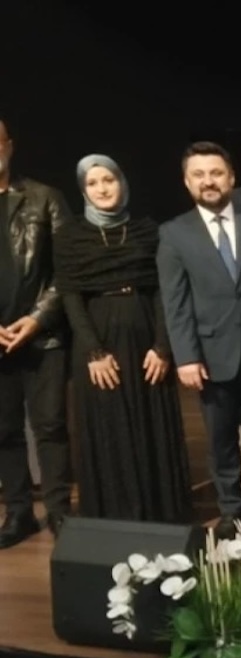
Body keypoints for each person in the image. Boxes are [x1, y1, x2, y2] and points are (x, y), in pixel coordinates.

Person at [55, 154, 192, 523]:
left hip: (147, 336)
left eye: (108, 180)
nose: (102, 189)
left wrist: (162, 346)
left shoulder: (148, 230)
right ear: (83, 190)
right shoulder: (70, 236)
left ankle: (161, 512)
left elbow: (164, 290)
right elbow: (70, 296)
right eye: (93, 183)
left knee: (151, 423)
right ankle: (114, 515)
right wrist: (93, 351)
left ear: (122, 182)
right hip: (97, 343)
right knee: (108, 426)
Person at [157, 141, 241, 535]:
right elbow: (175, 302)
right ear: (186, 181)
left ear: (231, 177)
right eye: (199, 175)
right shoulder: (174, 233)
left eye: (216, 173)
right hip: (209, 355)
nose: (208, 181)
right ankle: (231, 509)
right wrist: (185, 357)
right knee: (221, 438)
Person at [0, 119, 72, 546]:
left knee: (50, 427)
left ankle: (59, 511)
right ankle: (19, 513)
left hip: (42, 336)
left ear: (9, 145)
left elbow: (67, 270)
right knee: (4, 431)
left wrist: (38, 318)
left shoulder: (45, 198)